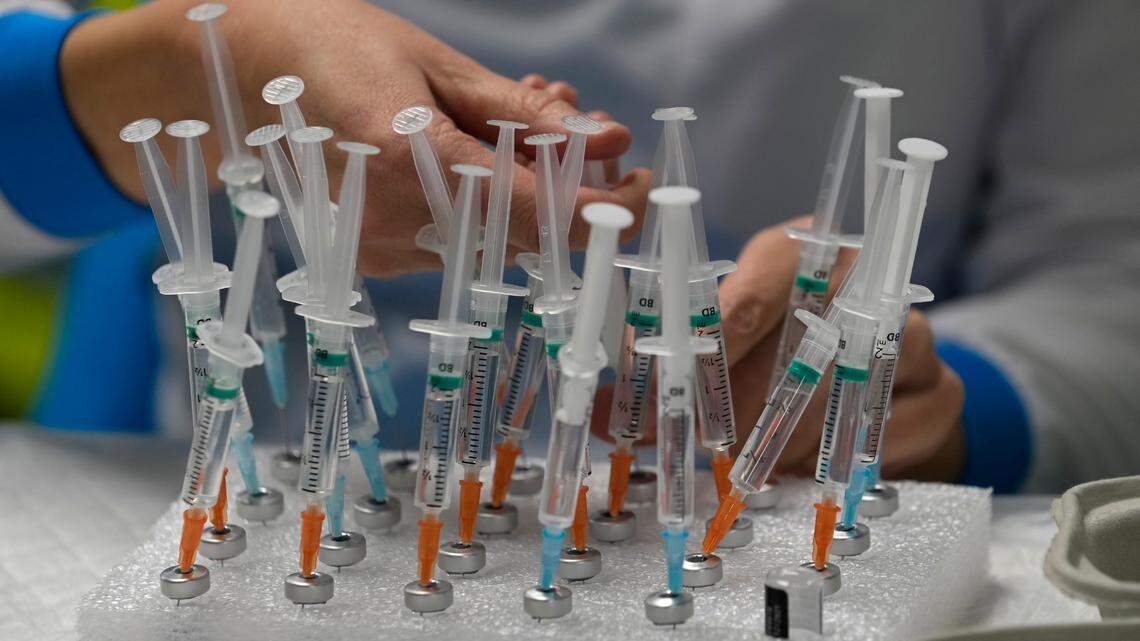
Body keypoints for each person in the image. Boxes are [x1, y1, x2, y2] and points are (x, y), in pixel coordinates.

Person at [2, 0, 1137, 494]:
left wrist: (930, 400)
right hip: (236, 463)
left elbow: (1110, 283)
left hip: (761, 511)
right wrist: (132, 76)